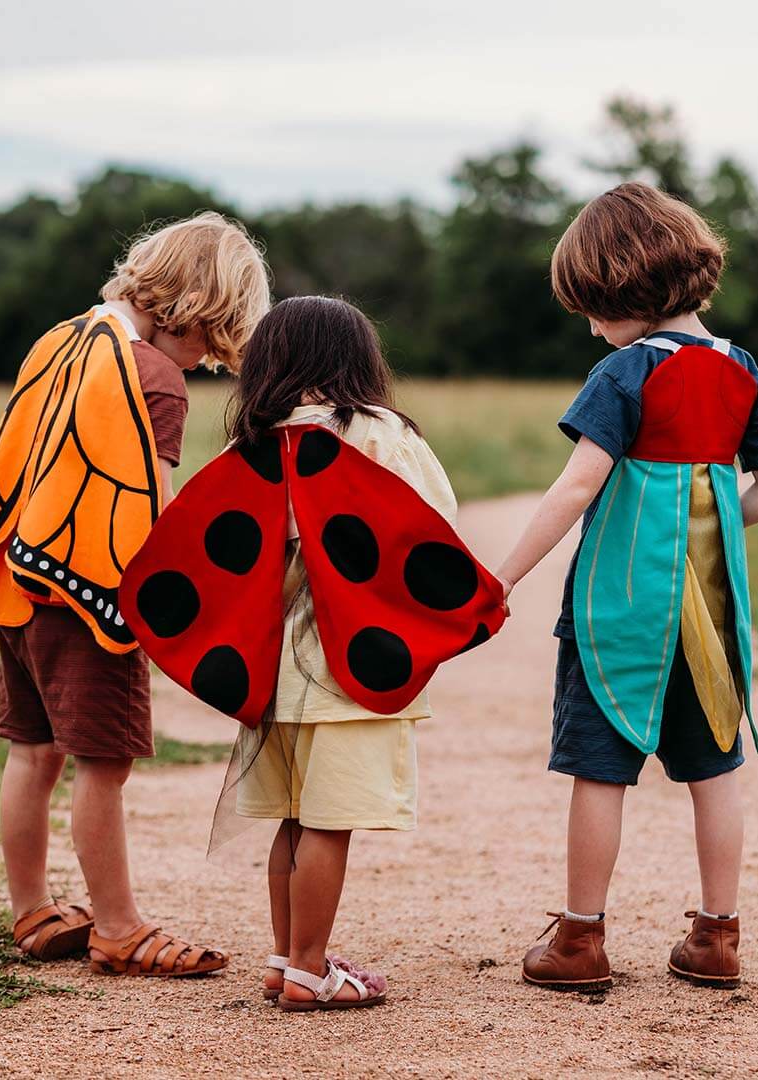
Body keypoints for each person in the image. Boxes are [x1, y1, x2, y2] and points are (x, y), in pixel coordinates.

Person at [118, 295, 505, 1010]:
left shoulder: (254, 446)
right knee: (330, 822)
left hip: (272, 673)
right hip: (351, 671)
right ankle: (309, 970)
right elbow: (435, 535)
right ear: (360, 360)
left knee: (292, 820)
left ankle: (285, 958)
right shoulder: (385, 438)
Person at [0, 212, 270, 976]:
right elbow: (154, 509)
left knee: (32, 753)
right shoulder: (149, 376)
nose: (197, 364)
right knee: (104, 764)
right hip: (91, 602)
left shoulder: (62, 342)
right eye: (205, 344)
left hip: (21, 585)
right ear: (193, 309)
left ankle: (31, 911)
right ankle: (119, 926)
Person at [496, 182, 758, 992]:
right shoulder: (740, 370)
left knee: (600, 769)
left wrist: (503, 576)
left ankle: (581, 942)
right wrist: (708, 516)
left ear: (623, 289)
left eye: (592, 308)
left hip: (618, 616)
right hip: (709, 617)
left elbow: (575, 488)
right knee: (714, 770)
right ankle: (717, 936)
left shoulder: (624, 374)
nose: (592, 328)